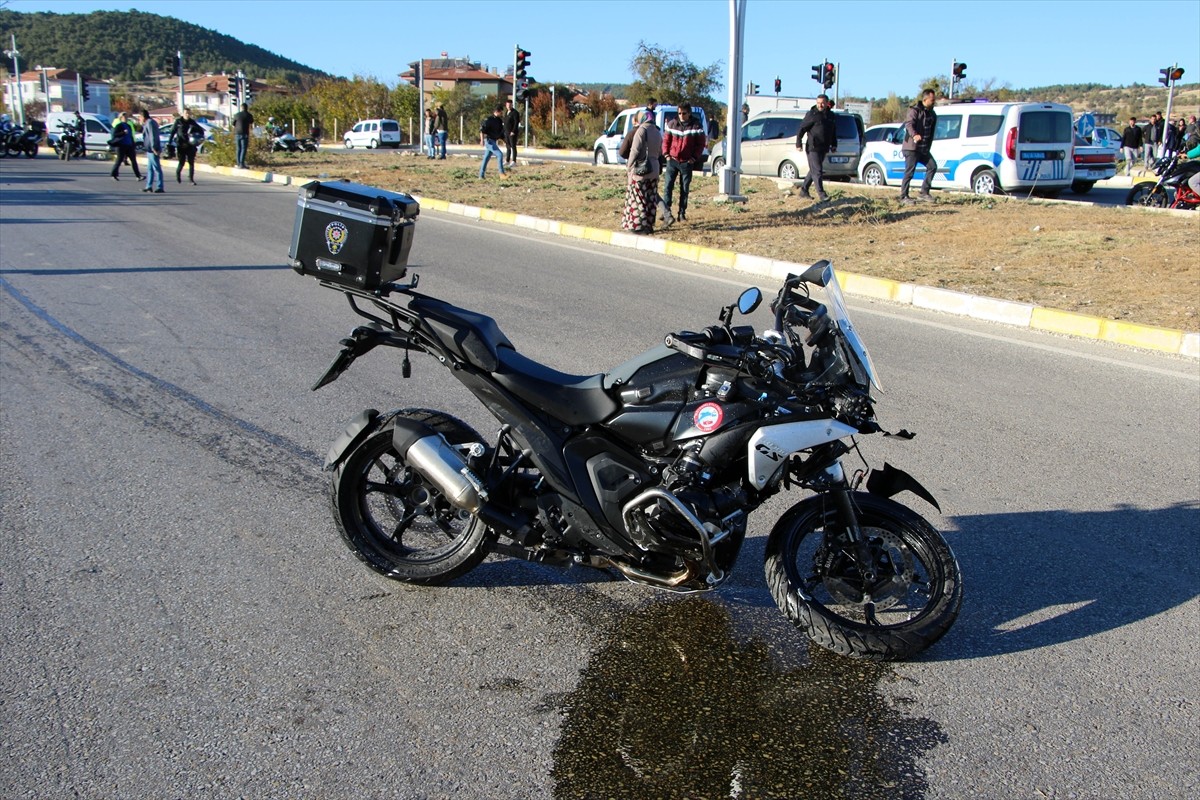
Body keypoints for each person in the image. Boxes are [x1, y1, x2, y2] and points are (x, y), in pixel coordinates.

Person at [620, 111, 663, 234]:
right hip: (654, 168)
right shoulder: (657, 132)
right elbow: (660, 151)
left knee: (639, 198)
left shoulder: (641, 130)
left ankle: (638, 225)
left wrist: (629, 167)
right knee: (651, 198)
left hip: (641, 169)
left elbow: (634, 150)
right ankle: (649, 225)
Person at [661, 104, 706, 222]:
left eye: (684, 113)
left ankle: (682, 213)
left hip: (687, 162)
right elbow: (666, 140)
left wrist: (693, 158)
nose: (681, 116)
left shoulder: (696, 126)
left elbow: (701, 144)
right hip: (673, 160)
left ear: (689, 113)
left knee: (684, 188)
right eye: (679, 113)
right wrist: (666, 154)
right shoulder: (672, 124)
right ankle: (666, 211)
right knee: (668, 186)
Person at [898, 88, 938, 204]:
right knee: (909, 172)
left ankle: (924, 193)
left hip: (923, 148)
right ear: (925, 100)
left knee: (932, 166)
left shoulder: (932, 114)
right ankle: (903, 196)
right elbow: (909, 124)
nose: (933, 101)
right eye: (932, 100)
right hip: (912, 147)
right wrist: (914, 135)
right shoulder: (915, 111)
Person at [795, 94, 837, 202]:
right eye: (818, 103)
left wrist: (834, 144)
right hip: (813, 147)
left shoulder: (831, 116)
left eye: (822, 103)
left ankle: (804, 190)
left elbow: (832, 131)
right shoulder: (812, 114)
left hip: (824, 147)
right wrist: (798, 143)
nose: (820, 105)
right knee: (817, 170)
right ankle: (822, 195)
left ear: (827, 103)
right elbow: (802, 129)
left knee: (813, 170)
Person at [172, 108, 203, 185]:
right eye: (186, 113)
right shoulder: (178, 122)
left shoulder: (192, 122)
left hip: (190, 145)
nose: (187, 115)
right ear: (183, 114)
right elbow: (172, 132)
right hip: (181, 145)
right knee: (181, 162)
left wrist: (196, 135)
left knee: (191, 162)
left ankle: (191, 179)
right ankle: (178, 174)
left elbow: (200, 130)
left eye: (189, 113)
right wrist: (169, 143)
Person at [109, 111, 142, 181]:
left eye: (127, 117)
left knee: (133, 161)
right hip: (121, 146)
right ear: (121, 118)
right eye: (125, 117)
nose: (126, 118)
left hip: (129, 145)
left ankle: (138, 176)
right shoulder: (119, 125)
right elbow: (115, 135)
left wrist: (133, 144)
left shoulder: (129, 125)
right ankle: (113, 174)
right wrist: (123, 132)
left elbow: (131, 135)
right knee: (119, 160)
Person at [140, 110, 164, 193]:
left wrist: (154, 147)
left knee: (157, 168)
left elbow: (152, 136)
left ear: (143, 117)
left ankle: (160, 186)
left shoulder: (149, 123)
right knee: (150, 169)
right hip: (149, 149)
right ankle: (149, 186)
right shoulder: (150, 122)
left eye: (140, 117)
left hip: (152, 149)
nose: (139, 119)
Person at [479, 105, 506, 178]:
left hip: (494, 140)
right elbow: (482, 130)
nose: (502, 113)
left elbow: (500, 133)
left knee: (486, 158)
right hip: (489, 140)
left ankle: (481, 175)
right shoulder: (489, 120)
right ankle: (501, 173)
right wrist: (482, 140)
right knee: (499, 154)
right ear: (497, 111)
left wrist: (504, 140)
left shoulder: (499, 121)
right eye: (501, 112)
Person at [232, 103, 253, 168]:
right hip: (245, 133)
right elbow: (251, 122)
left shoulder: (237, 115)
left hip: (237, 133)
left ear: (241, 108)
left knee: (238, 148)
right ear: (247, 108)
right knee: (243, 148)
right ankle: (241, 163)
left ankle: (238, 163)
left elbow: (233, 123)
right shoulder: (249, 115)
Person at [503, 98, 520, 165]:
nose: (508, 106)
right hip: (506, 132)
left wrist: (513, 131)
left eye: (510, 105)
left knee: (513, 146)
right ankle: (507, 160)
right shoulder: (506, 113)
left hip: (512, 133)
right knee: (508, 146)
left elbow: (516, 123)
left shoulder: (515, 113)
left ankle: (514, 161)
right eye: (507, 105)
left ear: (512, 105)